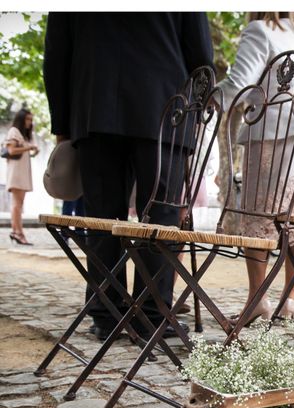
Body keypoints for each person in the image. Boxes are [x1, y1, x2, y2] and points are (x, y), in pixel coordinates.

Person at [43, 13, 214, 340]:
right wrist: (196, 113)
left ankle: (106, 313)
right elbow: (201, 57)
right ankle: (152, 315)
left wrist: (63, 124)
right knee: (160, 216)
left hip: (95, 101)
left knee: (102, 215)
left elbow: (57, 54)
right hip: (167, 104)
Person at [218, 12, 294, 322]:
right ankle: (289, 300)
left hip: (274, 136)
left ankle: (258, 298)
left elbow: (239, 84)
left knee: (259, 216)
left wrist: (205, 99)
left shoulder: (259, 30)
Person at [3, 108, 39, 246]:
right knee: (17, 205)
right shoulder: (14, 131)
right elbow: (11, 150)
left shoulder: (23, 135)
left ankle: (16, 232)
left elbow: (22, 153)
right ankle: (18, 233)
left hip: (22, 172)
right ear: (21, 119)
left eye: (31, 119)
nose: (30, 122)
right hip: (16, 173)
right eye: (27, 119)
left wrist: (32, 150)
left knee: (19, 205)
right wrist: (29, 147)